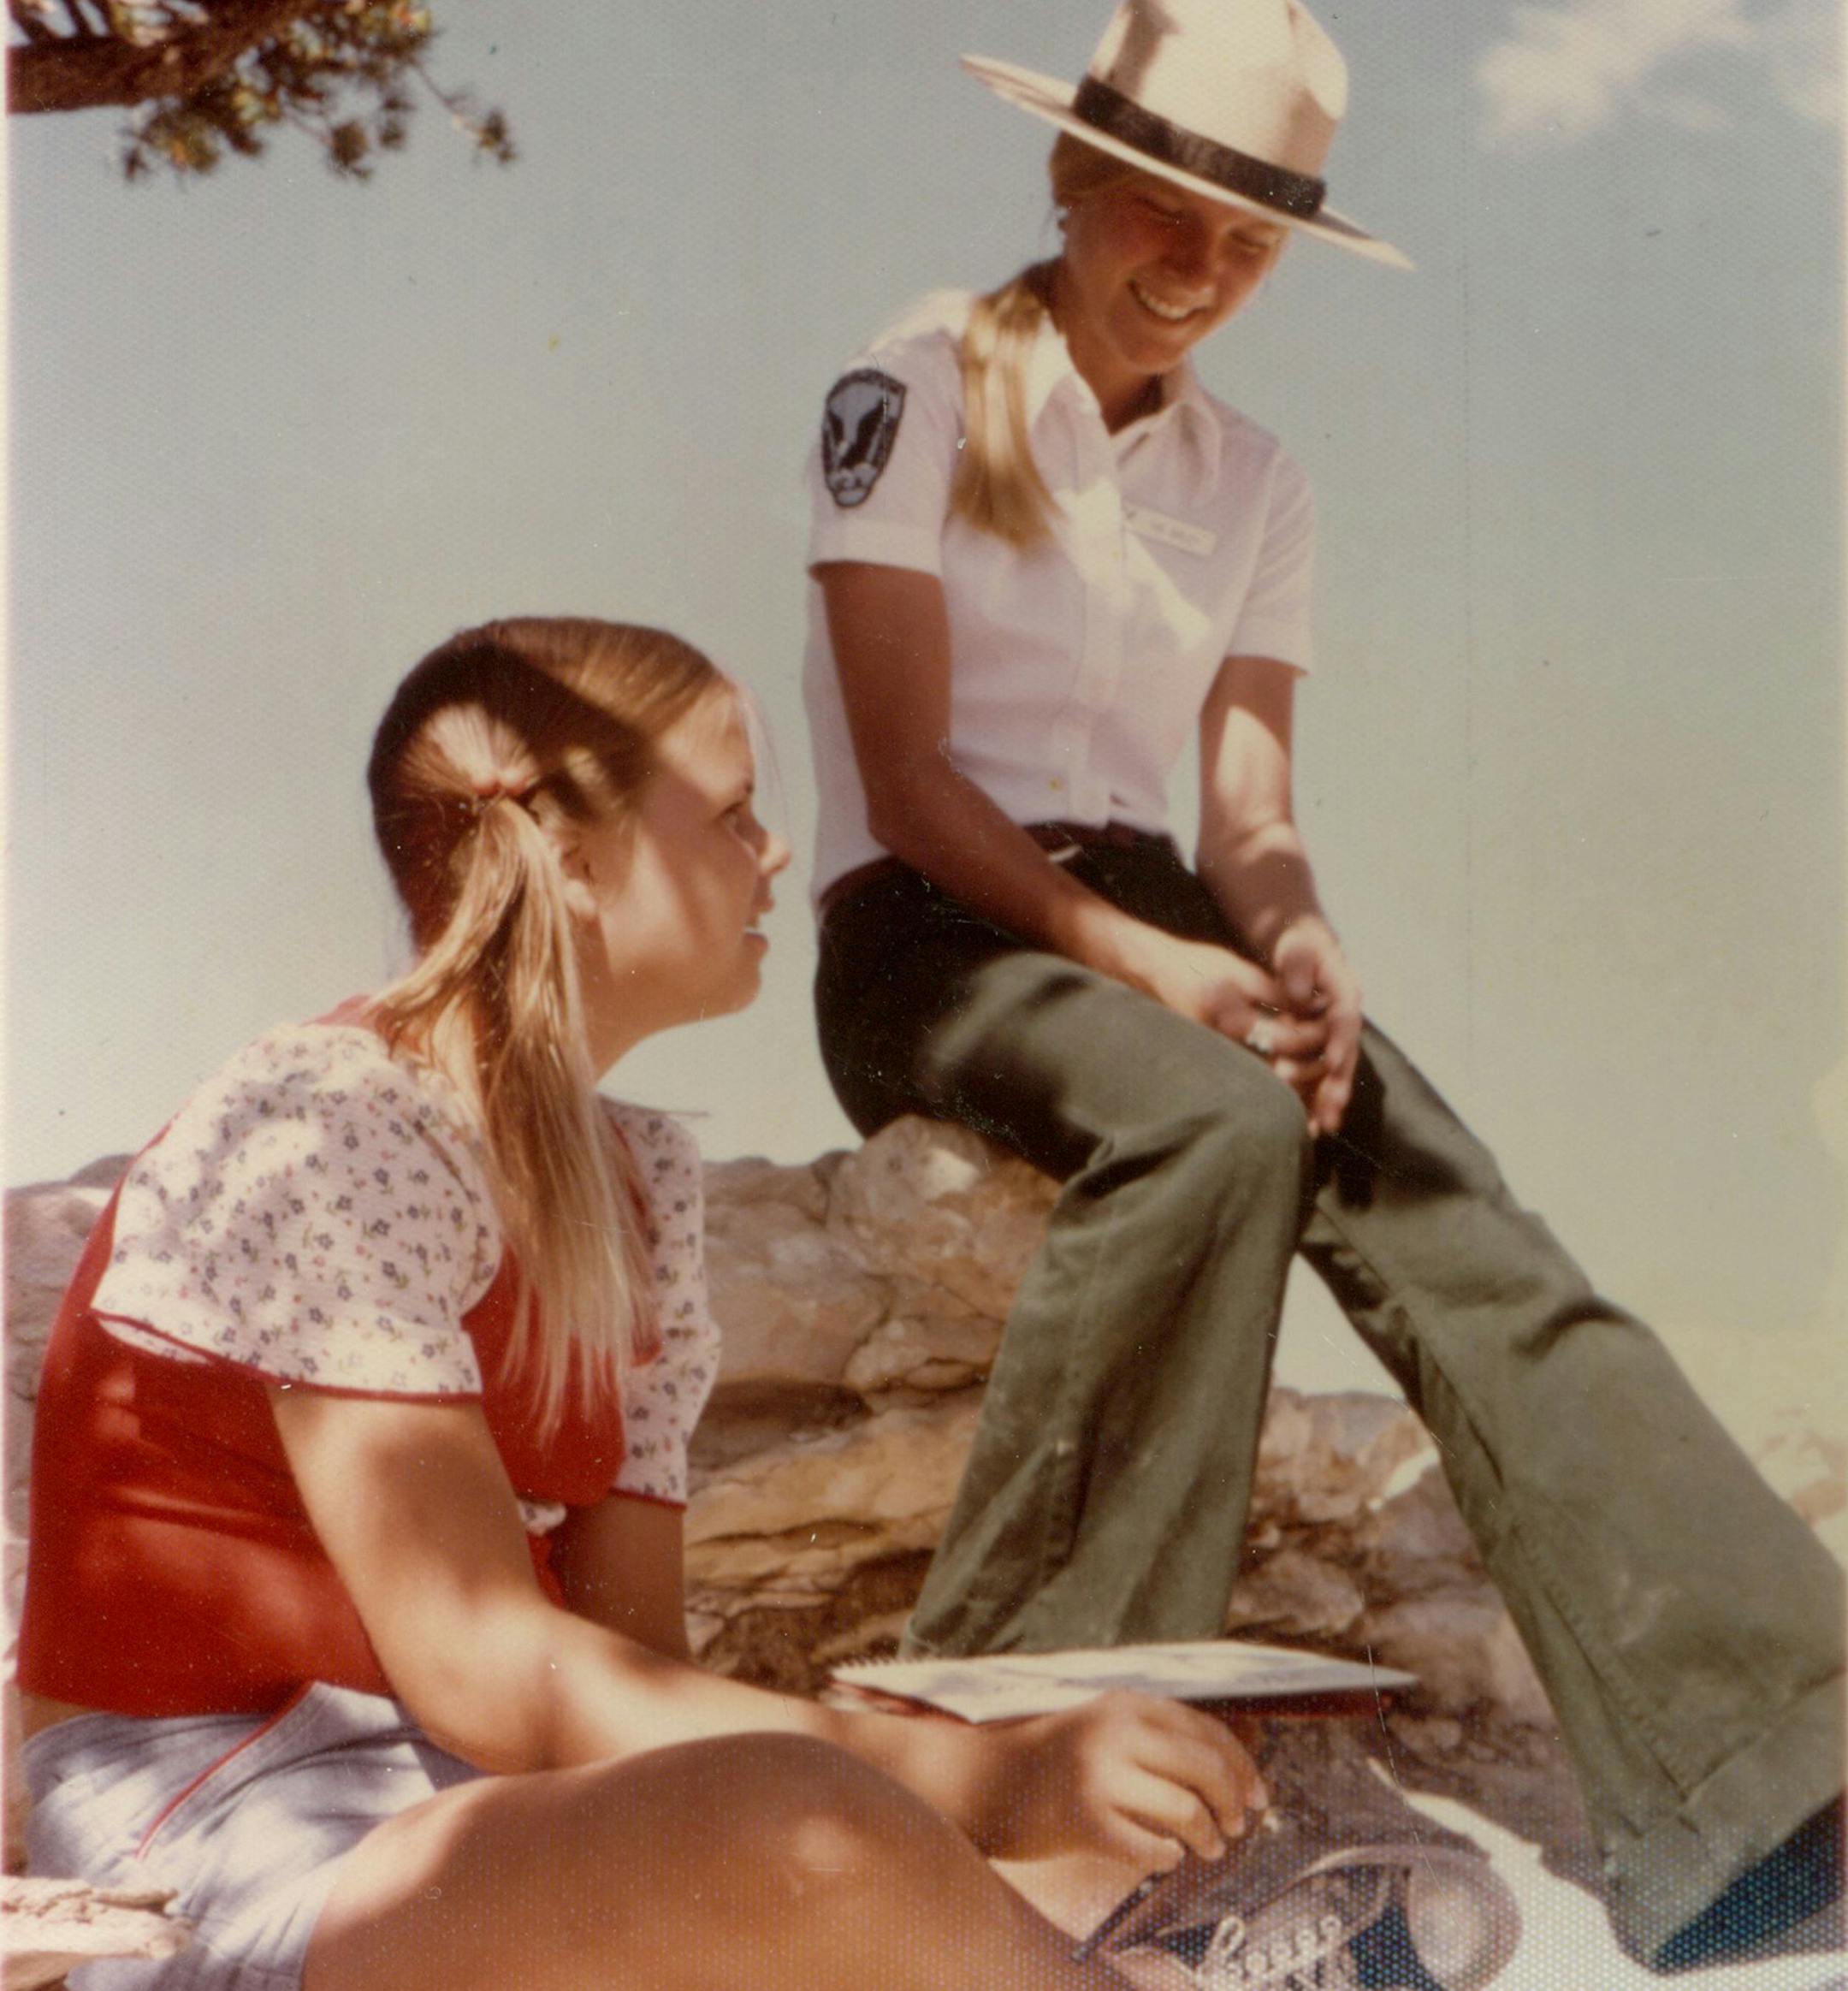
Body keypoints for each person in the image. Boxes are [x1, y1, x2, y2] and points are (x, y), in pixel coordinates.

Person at [801, 0, 1844, 1971]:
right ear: (1074, 171)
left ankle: (1780, 1780)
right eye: (1170, 213)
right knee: (1209, 1117)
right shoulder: (920, 374)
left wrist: (1292, 939)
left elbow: (1250, 802)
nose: (1198, 270)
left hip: (1164, 911)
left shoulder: (1258, 475)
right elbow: (911, 772)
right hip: (936, 926)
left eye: (1252, 239)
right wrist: (1146, 963)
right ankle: (1026, 1745)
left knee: (1450, 1195)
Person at [15, 616, 1270, 1991]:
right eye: (734, 815)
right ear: (568, 862)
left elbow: (626, 1673)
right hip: (224, 1841)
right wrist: (984, 1782)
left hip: (470, 1819)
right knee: (817, 1830)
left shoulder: (638, 1185)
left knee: (1143, 1831)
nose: (776, 854)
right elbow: (494, 1675)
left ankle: (1211, 1954)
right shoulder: (332, 1122)